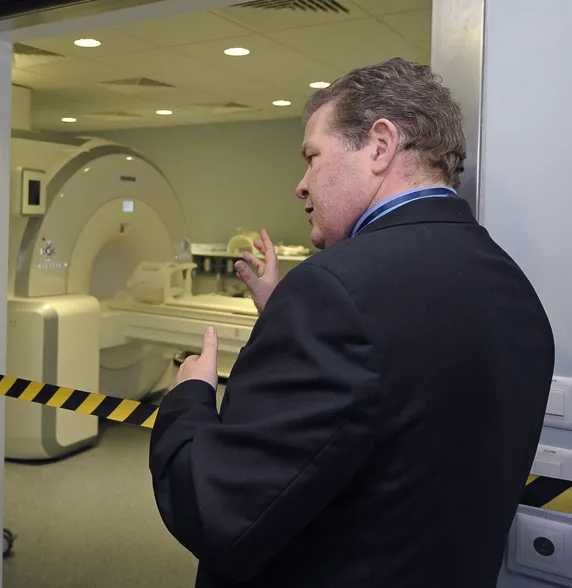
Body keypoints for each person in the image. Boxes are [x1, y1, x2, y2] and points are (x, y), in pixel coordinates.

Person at [149, 57, 556, 587]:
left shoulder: (335, 292)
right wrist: (286, 325)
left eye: (312, 157)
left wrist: (190, 398)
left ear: (381, 146)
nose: (301, 184)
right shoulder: (514, 289)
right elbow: (400, 417)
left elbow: (216, 512)